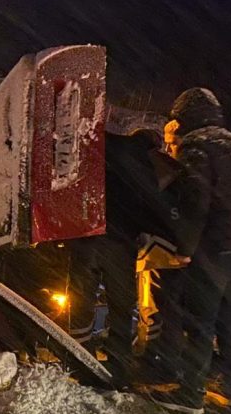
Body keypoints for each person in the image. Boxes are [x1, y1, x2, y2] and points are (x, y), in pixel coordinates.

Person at [151, 88, 231, 414]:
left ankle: (191, 396)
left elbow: (196, 201)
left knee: (200, 320)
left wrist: (185, 247)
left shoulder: (197, 146)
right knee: (228, 318)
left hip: (214, 247)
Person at [66, 129, 178, 389]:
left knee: (81, 301)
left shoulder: (107, 146)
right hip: (121, 244)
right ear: (153, 147)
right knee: (121, 306)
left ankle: (79, 362)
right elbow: (152, 209)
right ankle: (119, 367)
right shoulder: (149, 167)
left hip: (87, 237)